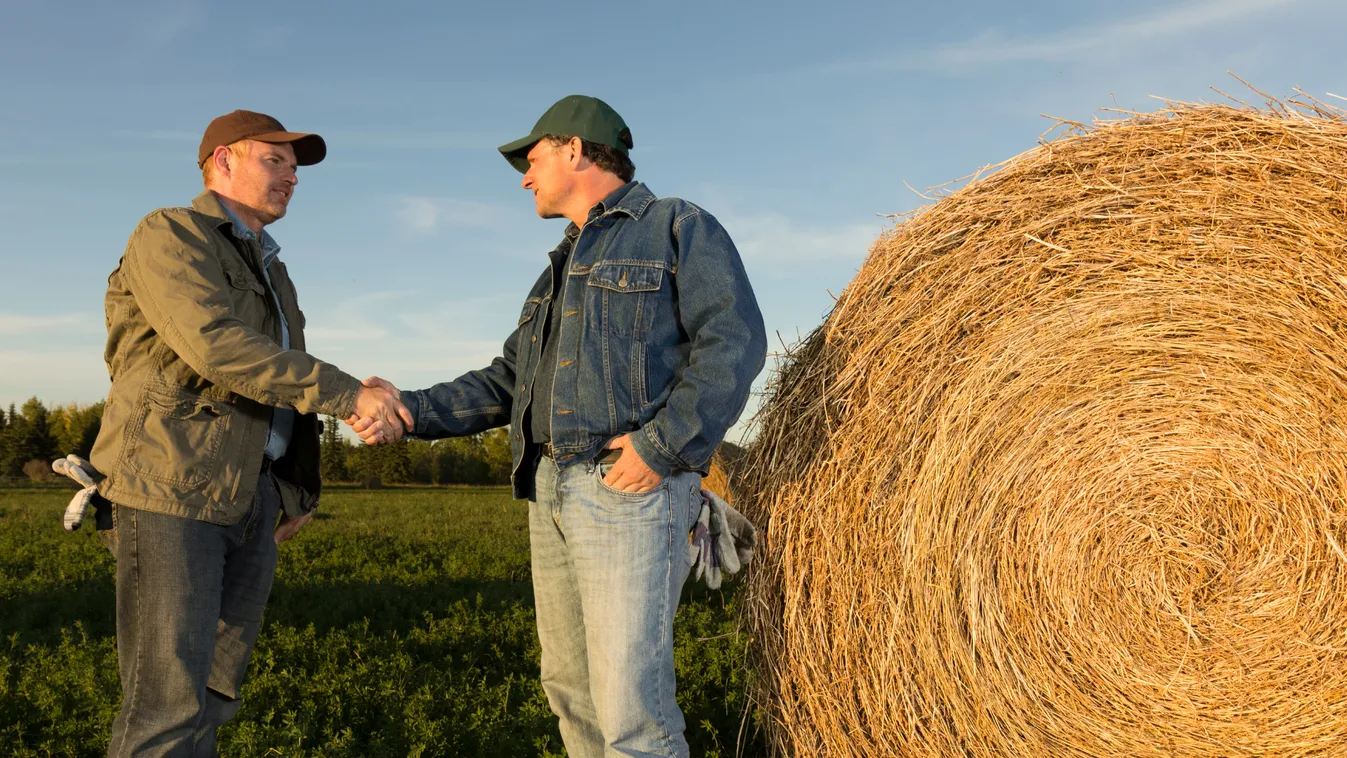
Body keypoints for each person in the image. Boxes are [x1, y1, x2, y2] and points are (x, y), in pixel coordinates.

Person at [356, 94, 767, 757]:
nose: (524, 175)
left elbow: (732, 343)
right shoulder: (557, 270)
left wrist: (660, 448)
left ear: (575, 149)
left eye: (533, 157)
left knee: (632, 708)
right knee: (569, 690)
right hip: (548, 488)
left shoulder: (676, 225)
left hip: (624, 490)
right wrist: (408, 409)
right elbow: (505, 381)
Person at [88, 109, 410, 757]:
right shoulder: (171, 234)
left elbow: (281, 393)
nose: (292, 177)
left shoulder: (272, 269)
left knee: (214, 692)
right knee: (166, 703)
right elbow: (216, 347)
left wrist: (294, 487)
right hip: (171, 489)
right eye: (276, 160)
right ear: (221, 161)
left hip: (248, 496)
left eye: (295, 168)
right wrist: (352, 394)